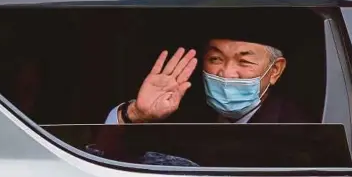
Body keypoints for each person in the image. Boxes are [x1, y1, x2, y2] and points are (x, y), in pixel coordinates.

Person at [104, 37, 308, 125]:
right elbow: (105, 159)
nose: (227, 73)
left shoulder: (298, 129)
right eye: (215, 59)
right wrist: (136, 114)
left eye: (244, 62)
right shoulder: (180, 111)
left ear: (275, 71)